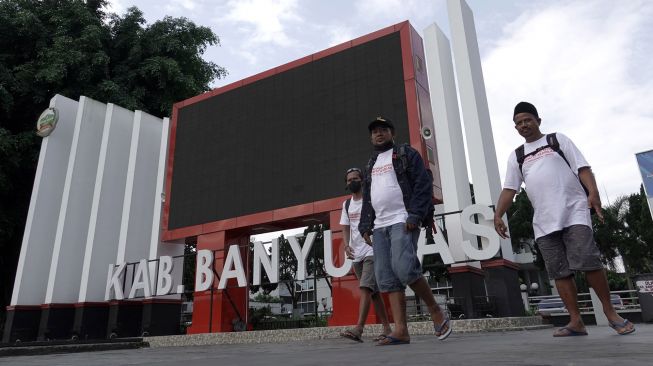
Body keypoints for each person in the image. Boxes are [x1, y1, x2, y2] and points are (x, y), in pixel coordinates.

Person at [494, 101, 635, 337]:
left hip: (574, 211)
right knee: (559, 271)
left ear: (538, 120)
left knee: (589, 261)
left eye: (527, 119)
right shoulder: (517, 156)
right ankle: (575, 321)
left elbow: (583, 168)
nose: (523, 125)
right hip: (544, 222)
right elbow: (510, 189)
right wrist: (498, 214)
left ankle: (611, 313)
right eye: (518, 123)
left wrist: (593, 193)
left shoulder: (557, 140)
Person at [359, 117, 451, 345]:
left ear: (392, 133)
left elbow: (422, 184)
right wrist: (364, 225)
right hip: (379, 226)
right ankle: (401, 331)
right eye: (375, 132)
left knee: (405, 268)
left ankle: (435, 310)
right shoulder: (370, 163)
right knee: (386, 278)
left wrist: (415, 214)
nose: (378, 134)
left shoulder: (406, 153)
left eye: (383, 130)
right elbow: (368, 198)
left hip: (403, 219)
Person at [338, 167, 393, 343]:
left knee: (365, 287)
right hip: (357, 254)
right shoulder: (346, 204)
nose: (351, 182)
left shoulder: (371, 200)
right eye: (348, 180)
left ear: (362, 180)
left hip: (372, 249)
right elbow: (345, 227)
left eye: (354, 178)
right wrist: (346, 245)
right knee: (373, 292)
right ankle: (386, 328)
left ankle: (359, 329)